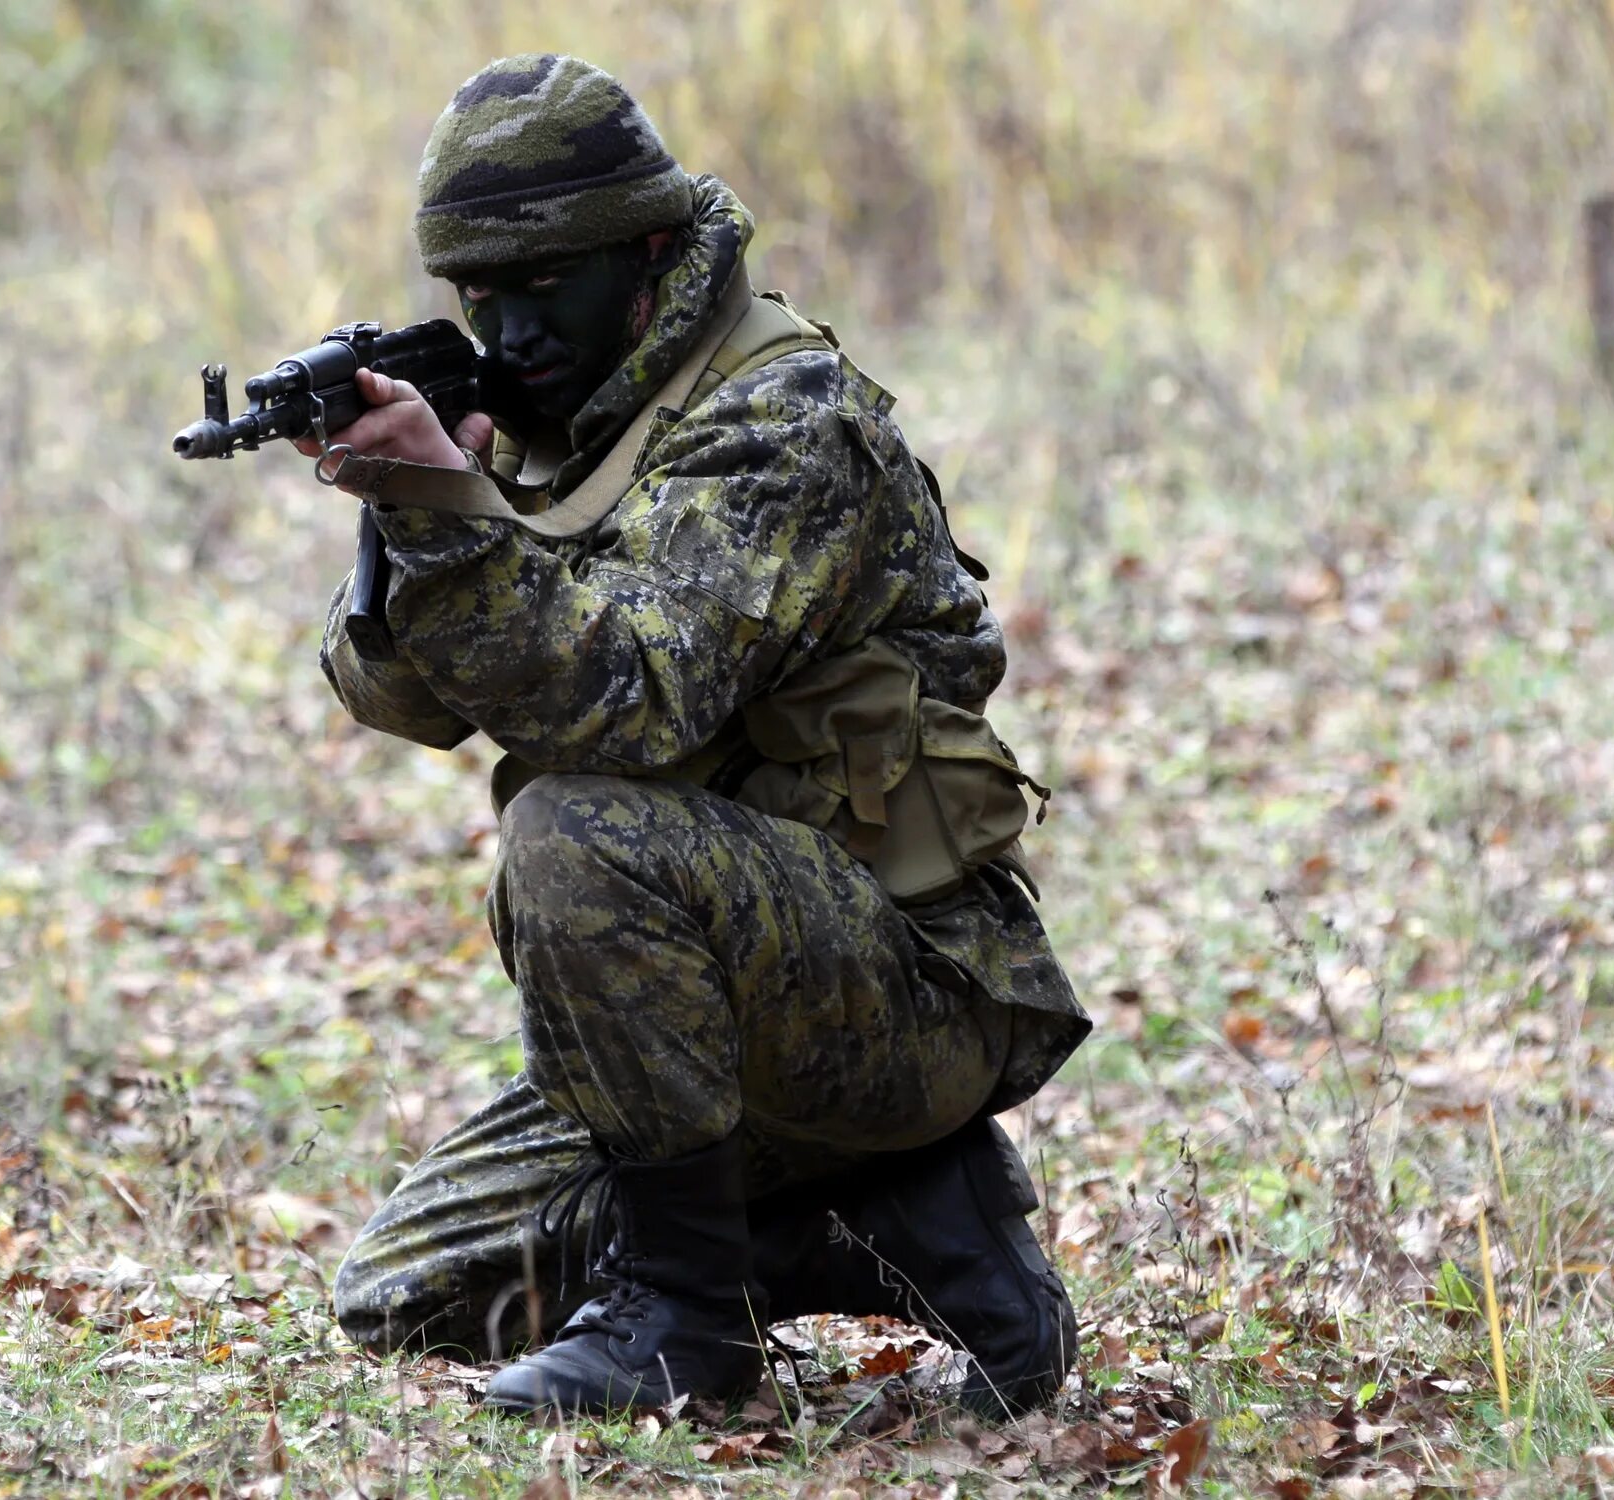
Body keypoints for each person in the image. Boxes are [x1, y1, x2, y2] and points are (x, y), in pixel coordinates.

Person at [309, 55, 1093, 1418]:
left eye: (542, 283)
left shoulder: (780, 421)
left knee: (570, 831)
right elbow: (405, 703)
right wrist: (422, 508)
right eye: (478, 295)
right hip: (718, 1001)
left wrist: (456, 518)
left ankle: (684, 1325)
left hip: (903, 976)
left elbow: (626, 700)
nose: (512, 325)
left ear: (652, 250)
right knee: (409, 1292)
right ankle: (911, 1224)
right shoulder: (555, 421)